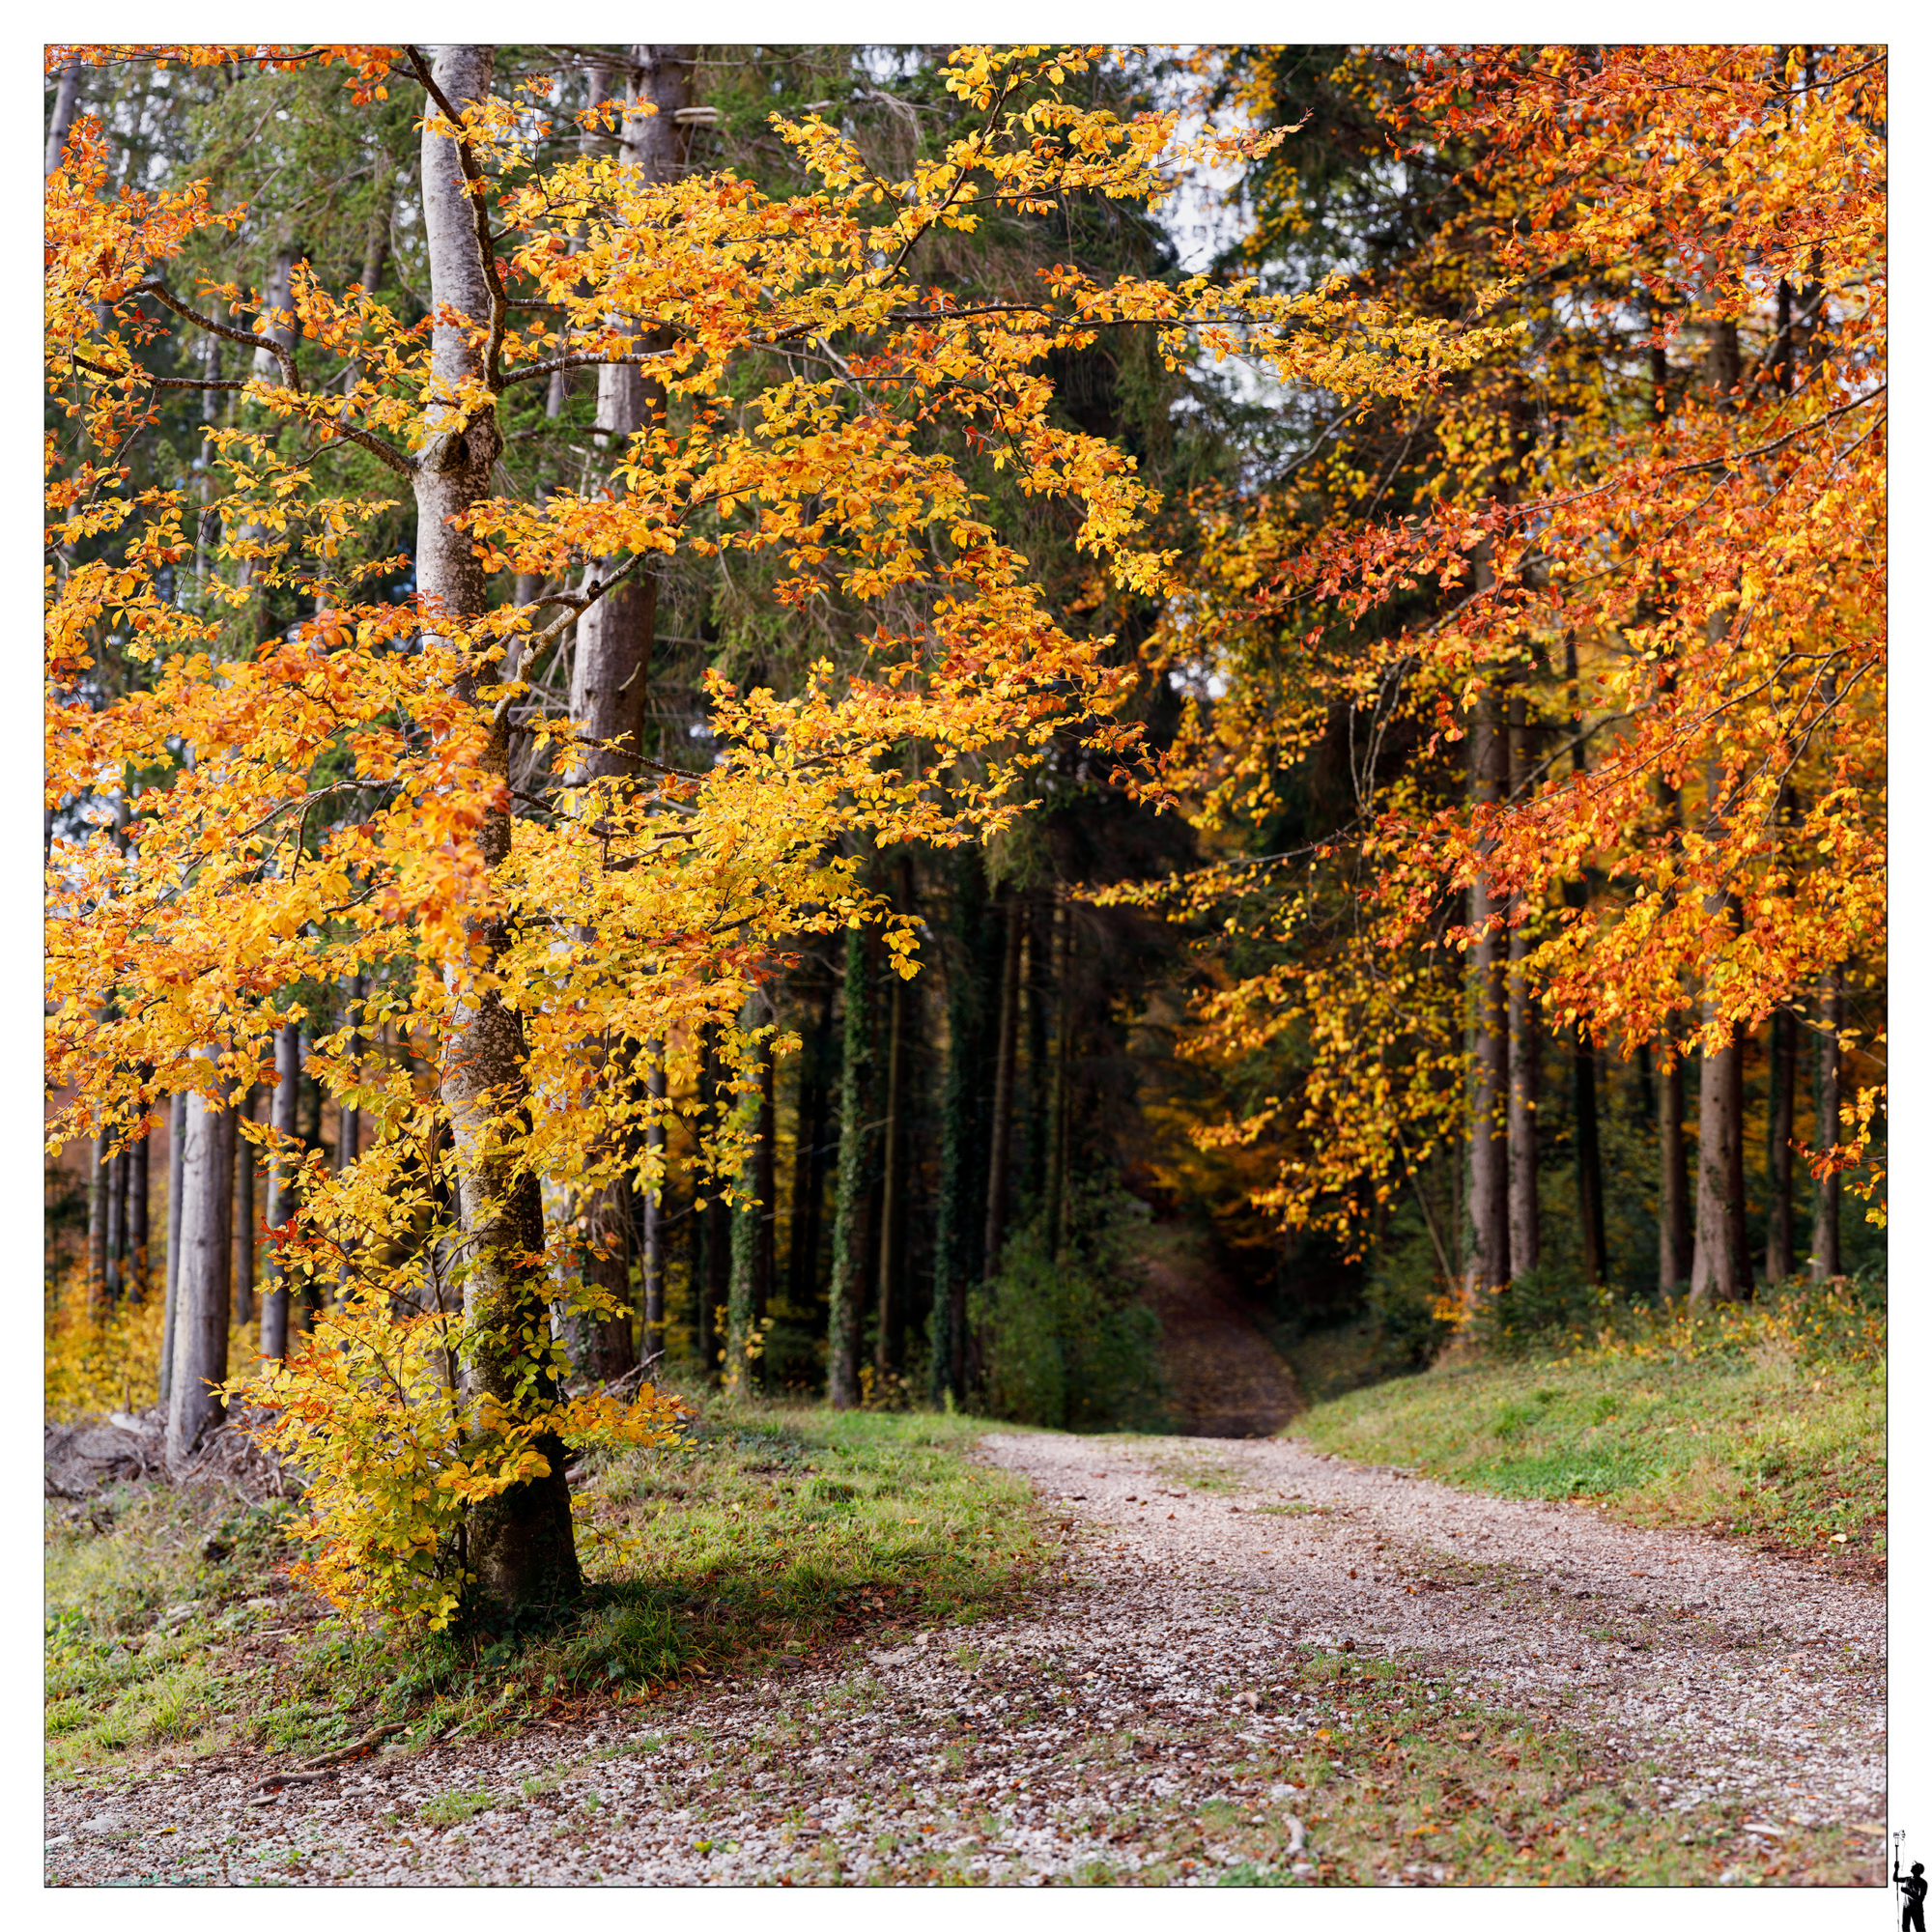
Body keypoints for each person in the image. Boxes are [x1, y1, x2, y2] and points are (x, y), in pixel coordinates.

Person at [1896, 1855, 1927, 1932]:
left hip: (1917, 1909)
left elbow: (1921, 1899)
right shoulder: (1907, 1879)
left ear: (1918, 1870)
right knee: (1905, 1928)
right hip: (1906, 1908)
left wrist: (1908, 1892)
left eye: (1914, 1866)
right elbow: (1895, 1879)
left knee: (1920, 1929)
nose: (1912, 1866)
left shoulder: (1923, 1883)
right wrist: (1896, 1869)